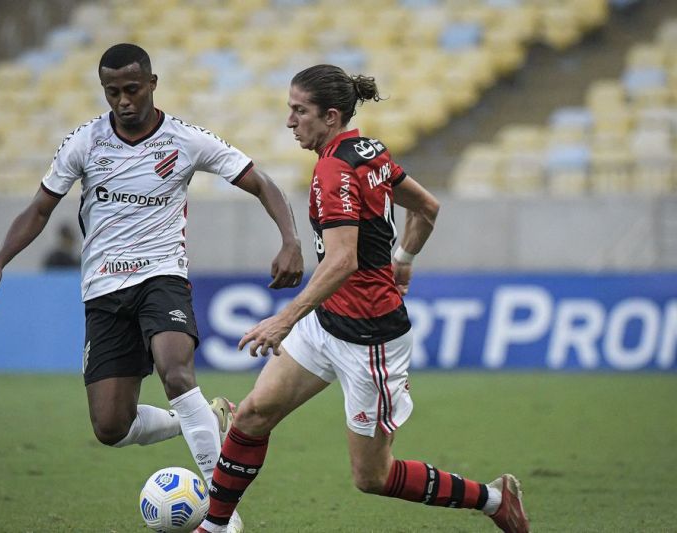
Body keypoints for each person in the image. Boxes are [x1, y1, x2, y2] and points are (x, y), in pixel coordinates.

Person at [0, 43, 304, 531]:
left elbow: (262, 183)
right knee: (110, 427)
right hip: (104, 291)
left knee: (175, 373)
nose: (123, 101)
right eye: (112, 92)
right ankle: (207, 418)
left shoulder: (186, 140)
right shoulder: (84, 143)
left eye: (131, 89)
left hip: (161, 276)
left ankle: (221, 517)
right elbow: (40, 208)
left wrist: (290, 239)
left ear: (152, 83)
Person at [197, 65, 529, 533]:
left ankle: (496, 500)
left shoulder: (334, 169)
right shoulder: (366, 150)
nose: (290, 121)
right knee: (251, 415)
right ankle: (213, 528)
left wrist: (284, 320)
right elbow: (427, 207)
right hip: (329, 320)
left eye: (300, 111)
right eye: (289, 109)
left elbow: (342, 261)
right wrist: (406, 257)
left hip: (369, 340)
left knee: (372, 476)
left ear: (331, 116)